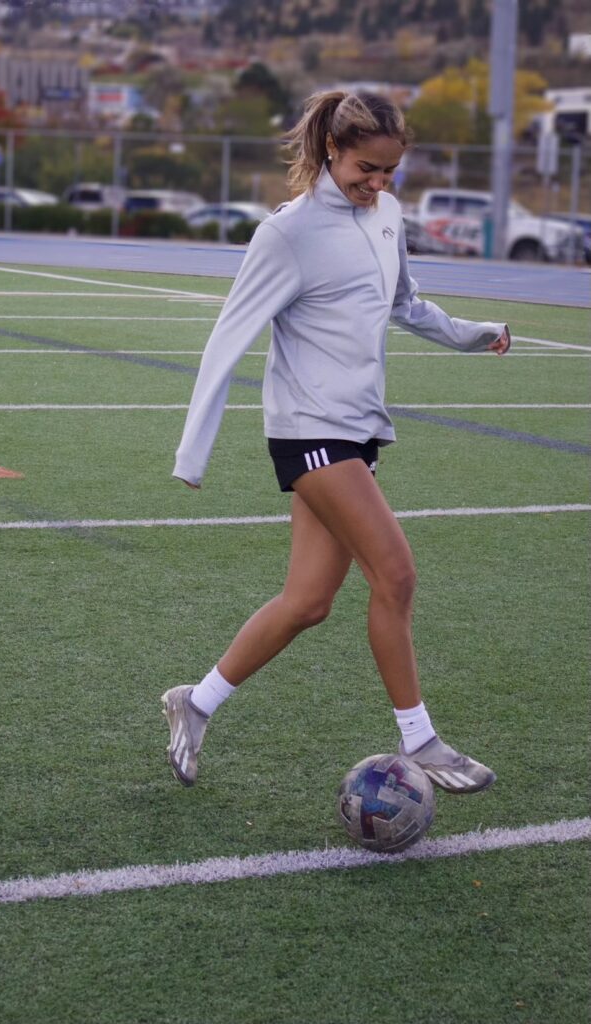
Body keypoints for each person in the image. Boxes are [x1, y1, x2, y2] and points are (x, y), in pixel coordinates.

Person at [162, 90, 511, 793]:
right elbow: (229, 334)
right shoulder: (288, 232)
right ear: (333, 151)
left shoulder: (385, 215)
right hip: (309, 431)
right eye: (365, 170)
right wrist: (192, 452)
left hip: (356, 431)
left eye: (390, 172)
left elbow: (405, 303)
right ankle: (423, 743)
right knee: (397, 574)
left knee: (309, 602)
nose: (377, 184)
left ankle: (193, 704)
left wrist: (473, 334)